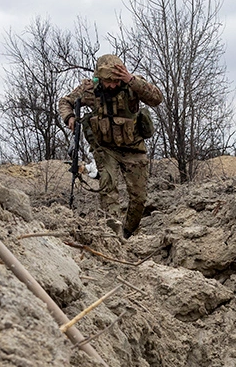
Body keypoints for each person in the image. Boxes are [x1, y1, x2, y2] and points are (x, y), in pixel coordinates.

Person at [58, 54, 162, 237]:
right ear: (100, 78)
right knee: (108, 189)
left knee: (139, 198)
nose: (112, 85)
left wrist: (131, 80)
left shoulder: (133, 85)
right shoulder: (89, 89)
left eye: (116, 81)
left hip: (134, 148)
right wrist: (70, 117)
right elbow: (65, 102)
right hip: (105, 149)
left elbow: (156, 98)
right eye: (108, 81)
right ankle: (114, 235)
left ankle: (128, 232)